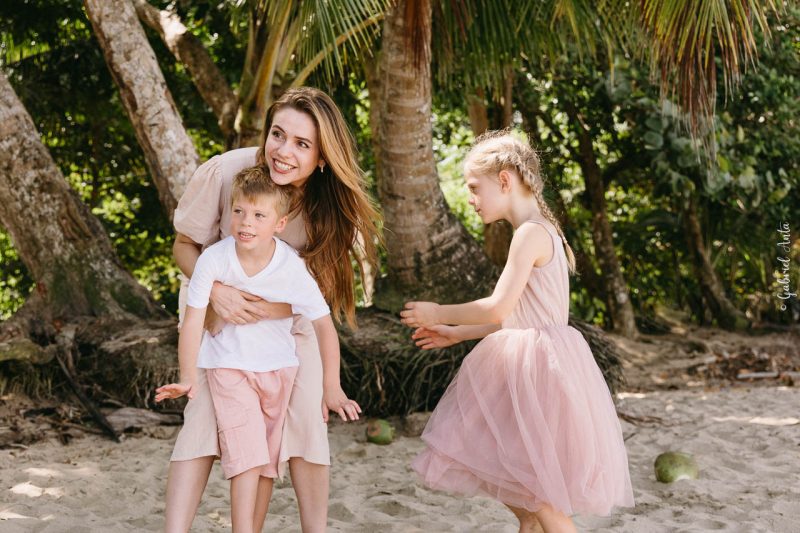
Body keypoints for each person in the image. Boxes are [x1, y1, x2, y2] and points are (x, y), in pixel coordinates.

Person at [164, 87, 381, 533]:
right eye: (278, 135)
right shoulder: (227, 172)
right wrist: (219, 295)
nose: (283, 151)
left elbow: (317, 296)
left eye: (302, 144)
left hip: (289, 318)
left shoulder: (328, 204)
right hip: (216, 311)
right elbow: (184, 246)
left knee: (306, 421)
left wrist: (268, 311)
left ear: (322, 157)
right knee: (201, 418)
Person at [400, 131, 634, 533]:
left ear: (505, 181)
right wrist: (457, 333)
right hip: (537, 364)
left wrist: (438, 311)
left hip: (537, 374)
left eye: (475, 188)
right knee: (526, 498)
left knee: (539, 498)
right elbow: (513, 316)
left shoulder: (531, 234)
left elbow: (497, 306)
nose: (471, 199)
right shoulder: (540, 230)